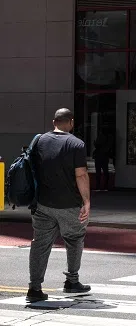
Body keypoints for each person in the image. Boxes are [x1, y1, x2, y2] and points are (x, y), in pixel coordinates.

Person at [26, 108, 92, 303]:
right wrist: (86, 201)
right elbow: (80, 174)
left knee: (40, 245)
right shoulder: (76, 144)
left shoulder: (39, 141)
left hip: (43, 203)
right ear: (71, 122)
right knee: (74, 238)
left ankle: (34, 288)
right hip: (69, 204)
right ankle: (72, 281)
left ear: (54, 121)